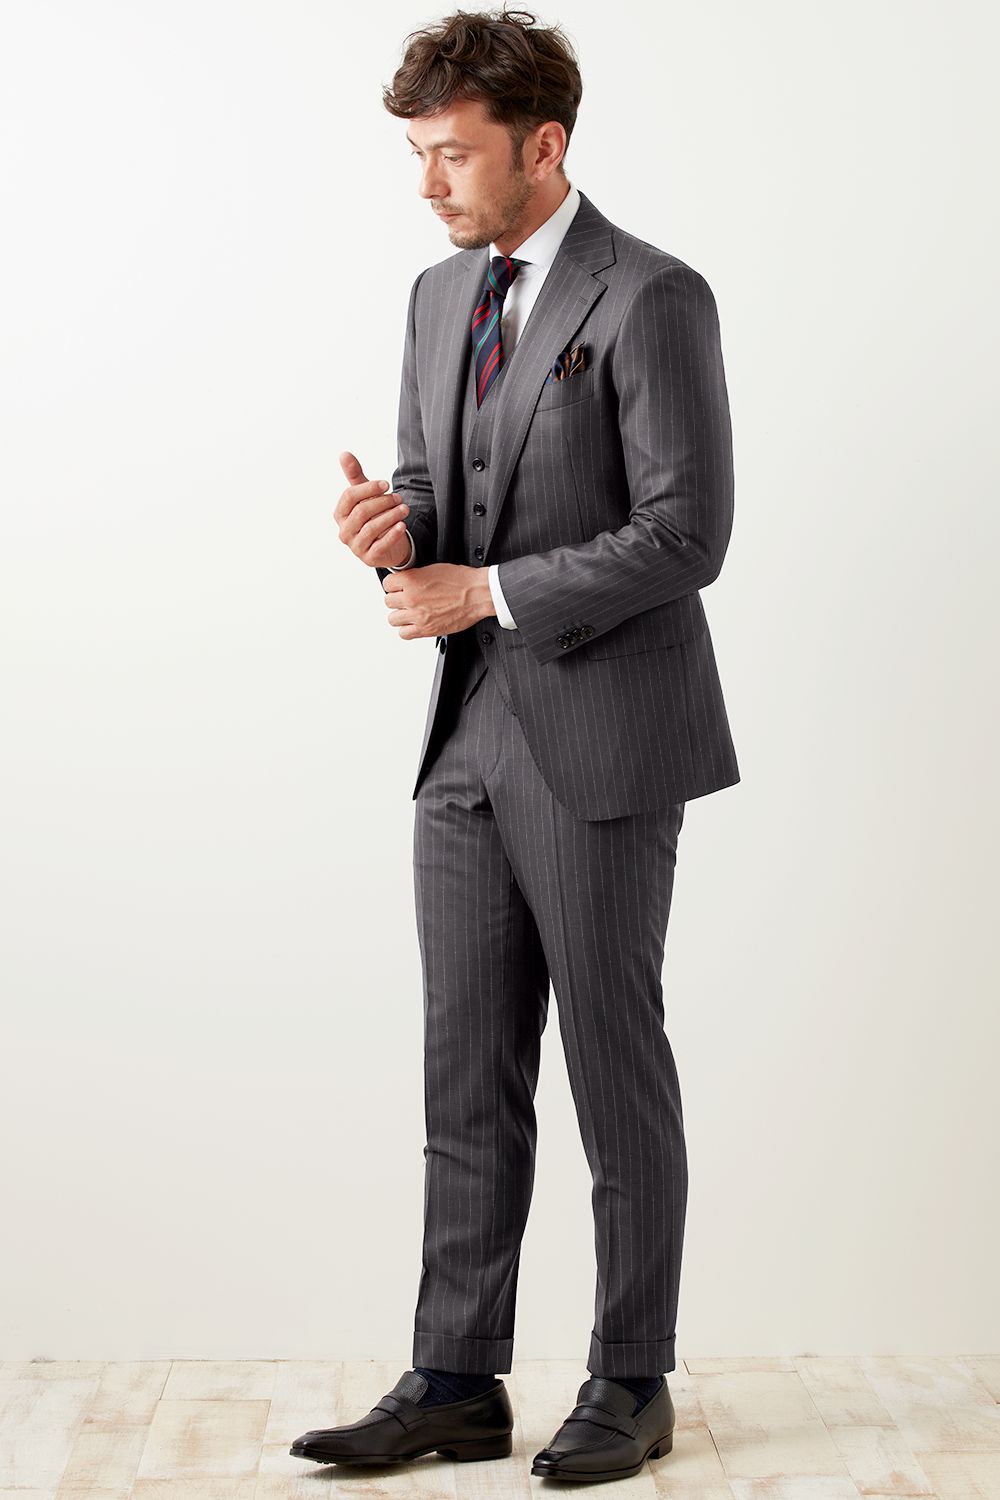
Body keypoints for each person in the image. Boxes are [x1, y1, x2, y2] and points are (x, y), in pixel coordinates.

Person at [290, 7, 739, 1484]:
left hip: (606, 738)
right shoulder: (438, 296)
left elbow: (686, 533)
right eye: (417, 155)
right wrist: (394, 530)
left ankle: (633, 1376)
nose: (428, 183)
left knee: (614, 1064)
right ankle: (455, 1379)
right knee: (465, 1070)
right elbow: (440, 490)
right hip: (467, 738)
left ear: (544, 146)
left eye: (453, 154)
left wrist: (482, 589)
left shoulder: (653, 294)